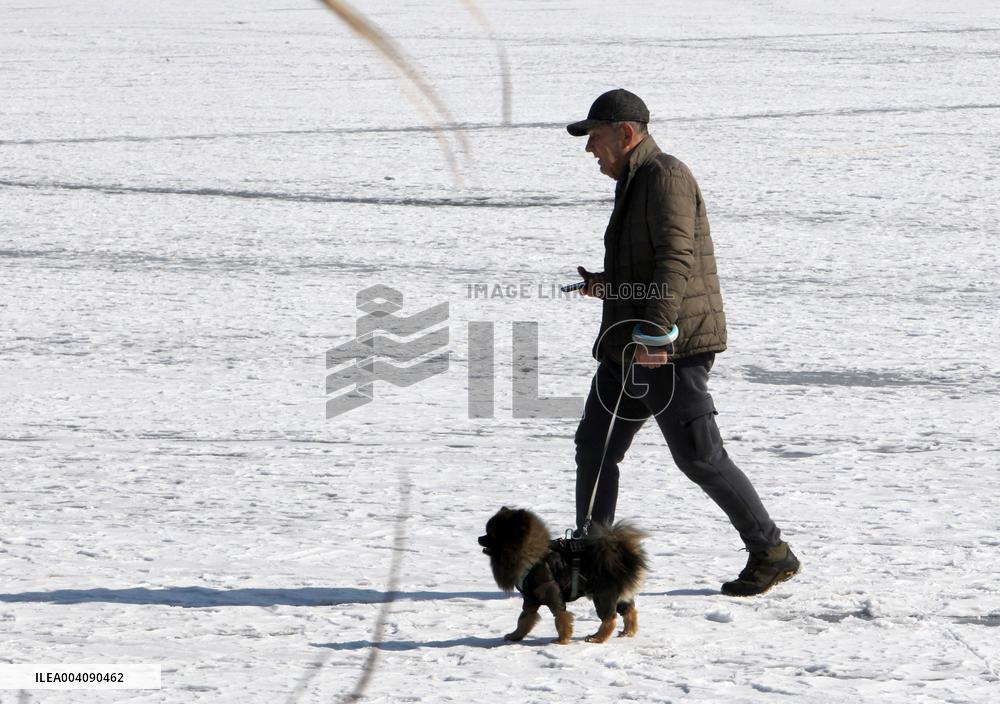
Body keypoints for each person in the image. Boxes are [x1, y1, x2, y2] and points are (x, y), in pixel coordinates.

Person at [567, 88, 799, 597]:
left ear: (626, 133)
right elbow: (652, 264)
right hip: (628, 347)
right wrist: (612, 282)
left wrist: (655, 334)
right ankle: (593, 557)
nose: (589, 150)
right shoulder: (635, 178)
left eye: (596, 137)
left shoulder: (665, 175)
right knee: (595, 446)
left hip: (668, 348)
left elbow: (676, 259)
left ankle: (771, 550)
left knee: (699, 457)